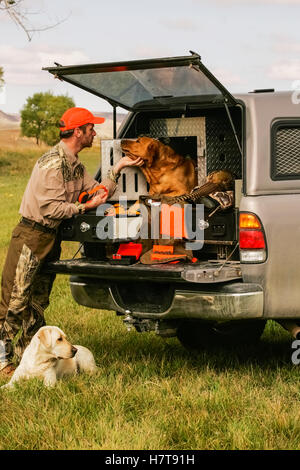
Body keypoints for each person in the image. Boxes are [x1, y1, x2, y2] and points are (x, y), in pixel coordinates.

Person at [0, 107, 143, 375]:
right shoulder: (52, 163)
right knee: (13, 303)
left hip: (49, 239)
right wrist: (84, 208)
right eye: (91, 128)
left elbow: (97, 190)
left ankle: (25, 359)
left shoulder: (76, 165)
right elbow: (50, 209)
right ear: (78, 132)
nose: (94, 133)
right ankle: (1, 361)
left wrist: (119, 167)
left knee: (38, 303)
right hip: (31, 236)